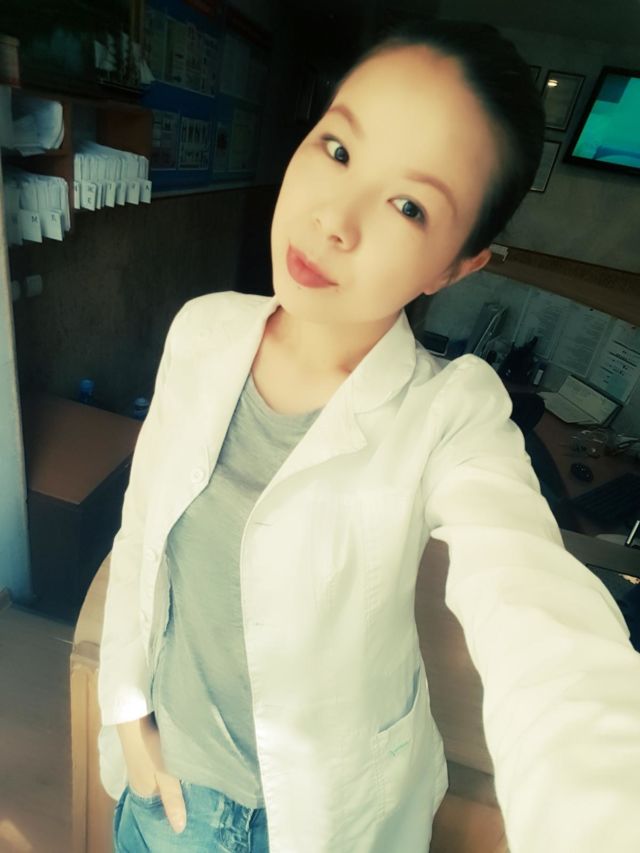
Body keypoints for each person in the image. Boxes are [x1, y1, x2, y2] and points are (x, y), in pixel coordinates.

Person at [98, 18, 640, 853]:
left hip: (322, 828)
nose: (335, 220)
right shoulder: (203, 331)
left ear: (456, 266)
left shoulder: (451, 413)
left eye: (410, 205)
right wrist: (128, 710)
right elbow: (143, 533)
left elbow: (538, 613)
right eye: (339, 149)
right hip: (167, 795)